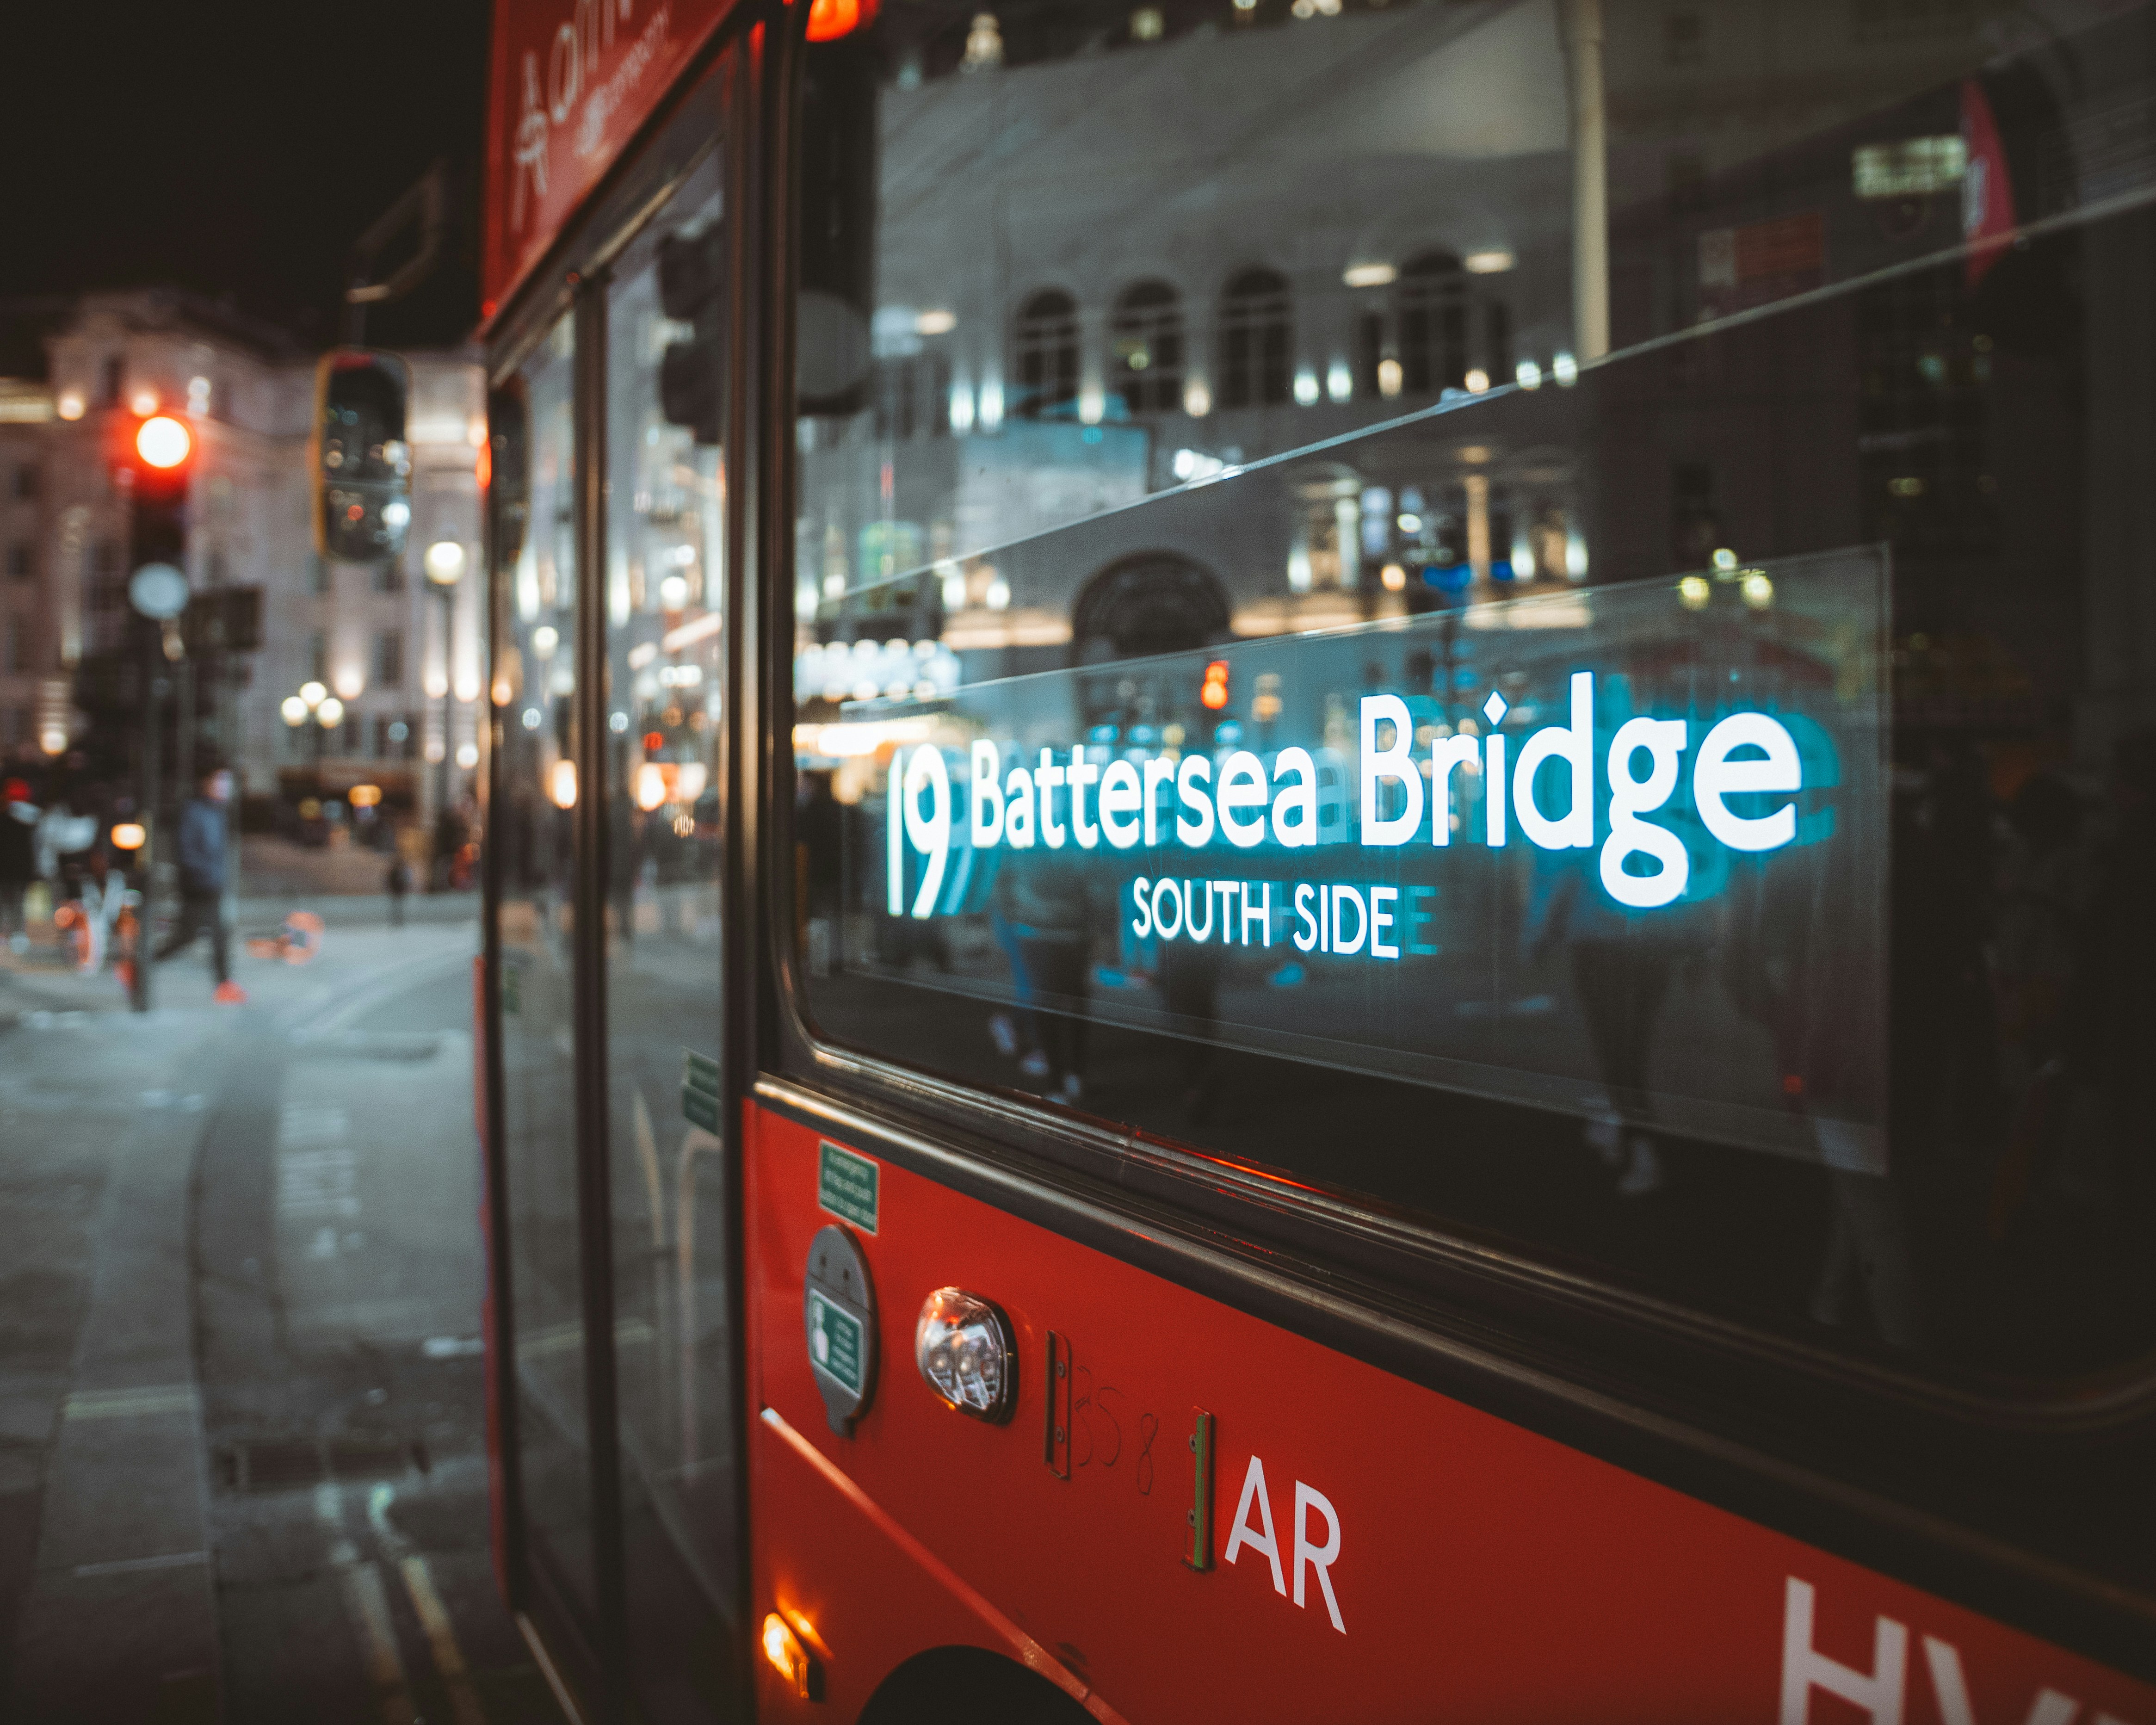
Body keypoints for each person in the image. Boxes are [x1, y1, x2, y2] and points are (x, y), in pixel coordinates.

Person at [155, 767, 245, 1002]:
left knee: (196, 935)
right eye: (221, 781)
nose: (226, 788)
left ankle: (141, 964)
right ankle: (224, 984)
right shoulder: (194, 812)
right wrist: (200, 875)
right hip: (199, 885)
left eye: (228, 782)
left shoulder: (218, 813)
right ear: (206, 783)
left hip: (211, 883)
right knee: (210, 934)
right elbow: (186, 850)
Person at [0, 778, 38, 954]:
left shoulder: (8, 816)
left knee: (8, 901)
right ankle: (17, 934)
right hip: (21, 868)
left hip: (10, 867)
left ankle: (10, 933)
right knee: (18, 901)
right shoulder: (34, 818)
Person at [385, 848, 411, 928]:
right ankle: (396, 921)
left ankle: (399, 921)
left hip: (399, 891)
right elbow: (389, 881)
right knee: (396, 907)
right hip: (396, 891)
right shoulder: (393, 872)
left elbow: (405, 881)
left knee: (399, 907)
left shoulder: (402, 871)